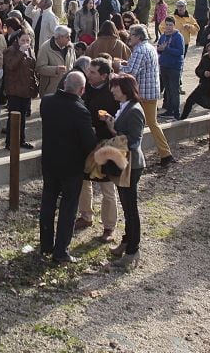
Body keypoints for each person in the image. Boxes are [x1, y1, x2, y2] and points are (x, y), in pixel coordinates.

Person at [38, 71, 97, 264]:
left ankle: (46, 244)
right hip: (71, 167)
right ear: (82, 90)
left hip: (49, 161)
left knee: (48, 202)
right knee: (68, 207)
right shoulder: (80, 111)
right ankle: (60, 251)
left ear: (63, 84)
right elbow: (89, 144)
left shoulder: (46, 102)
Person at [102, 73, 146, 268]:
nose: (112, 90)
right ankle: (127, 242)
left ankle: (132, 250)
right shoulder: (125, 107)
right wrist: (113, 127)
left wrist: (114, 134)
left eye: (115, 87)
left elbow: (134, 141)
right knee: (126, 205)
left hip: (131, 164)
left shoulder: (135, 110)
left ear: (126, 89)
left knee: (130, 208)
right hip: (123, 162)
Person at [76, 58, 119, 239]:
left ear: (104, 75)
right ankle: (86, 215)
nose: (89, 75)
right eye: (89, 71)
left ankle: (109, 226)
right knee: (84, 181)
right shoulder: (87, 89)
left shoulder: (114, 92)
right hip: (86, 141)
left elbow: (120, 119)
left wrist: (108, 122)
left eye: (93, 72)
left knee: (107, 186)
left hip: (106, 144)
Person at [122, 24, 174, 166]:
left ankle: (137, 156)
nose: (129, 37)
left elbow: (131, 72)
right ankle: (165, 153)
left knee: (138, 123)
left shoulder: (139, 50)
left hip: (143, 93)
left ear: (138, 37)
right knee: (152, 123)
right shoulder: (150, 47)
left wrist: (116, 66)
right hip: (152, 91)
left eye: (131, 34)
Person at [3, 31, 38, 150]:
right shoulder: (10, 51)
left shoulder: (30, 50)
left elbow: (32, 68)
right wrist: (21, 53)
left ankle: (21, 140)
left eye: (28, 40)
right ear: (17, 39)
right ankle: (10, 142)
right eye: (23, 40)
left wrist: (34, 87)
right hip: (14, 89)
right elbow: (10, 66)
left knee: (23, 117)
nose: (25, 43)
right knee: (13, 117)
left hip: (26, 89)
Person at [182, 41, 210, 120]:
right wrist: (203, 73)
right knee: (189, 100)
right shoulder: (206, 57)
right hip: (203, 85)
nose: (208, 53)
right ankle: (182, 119)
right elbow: (197, 70)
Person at [156, 16, 184, 120]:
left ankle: (176, 112)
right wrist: (159, 49)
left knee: (174, 90)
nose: (168, 27)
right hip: (164, 66)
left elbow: (180, 52)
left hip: (174, 67)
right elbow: (159, 48)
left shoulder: (178, 36)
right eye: (167, 24)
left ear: (174, 25)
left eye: (170, 25)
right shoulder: (163, 36)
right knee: (167, 90)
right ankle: (169, 110)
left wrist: (167, 48)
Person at [36, 25, 74, 98]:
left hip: (67, 89)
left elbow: (73, 63)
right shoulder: (45, 48)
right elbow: (39, 68)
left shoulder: (70, 47)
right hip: (50, 91)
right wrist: (55, 70)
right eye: (67, 37)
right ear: (59, 37)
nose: (70, 39)